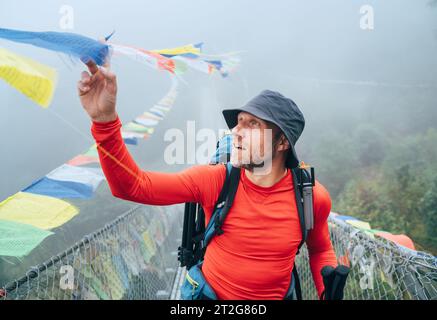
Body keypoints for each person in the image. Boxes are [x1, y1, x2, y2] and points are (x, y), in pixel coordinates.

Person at [77, 60, 338, 300]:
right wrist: (103, 122)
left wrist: (329, 292)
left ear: (282, 142)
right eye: (239, 122)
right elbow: (132, 186)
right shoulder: (215, 181)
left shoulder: (311, 197)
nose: (235, 132)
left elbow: (320, 249)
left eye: (253, 125)